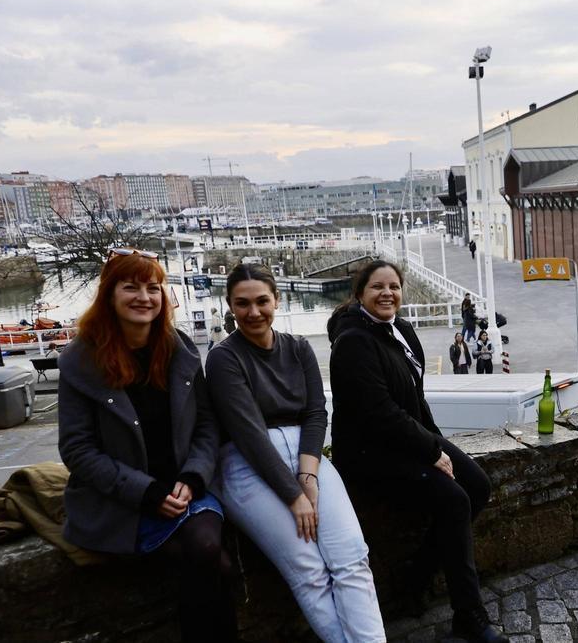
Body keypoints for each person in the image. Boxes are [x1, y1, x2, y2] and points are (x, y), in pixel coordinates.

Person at [57, 248, 234, 643]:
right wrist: (147, 492)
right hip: (122, 502)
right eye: (130, 287)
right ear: (109, 294)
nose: (144, 297)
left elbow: (206, 426)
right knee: (213, 565)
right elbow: (77, 450)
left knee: (206, 550)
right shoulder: (80, 360)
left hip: (186, 490)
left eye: (153, 287)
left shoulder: (179, 348)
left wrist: (193, 475)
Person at [327, 261, 507, 643]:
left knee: (477, 485)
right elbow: (378, 412)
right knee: (454, 501)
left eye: (394, 286)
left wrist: (440, 444)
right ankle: (469, 616)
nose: (387, 293)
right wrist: (430, 451)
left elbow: (416, 398)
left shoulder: (403, 329)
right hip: (369, 452)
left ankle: (416, 574)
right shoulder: (353, 341)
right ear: (360, 293)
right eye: (377, 287)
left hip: (408, 439)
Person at [207, 263, 385, 642]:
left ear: (277, 300)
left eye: (261, 301)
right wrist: (294, 497)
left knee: (351, 557)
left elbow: (315, 412)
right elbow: (248, 433)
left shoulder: (299, 347)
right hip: (249, 463)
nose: (253, 312)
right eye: (242, 304)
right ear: (230, 306)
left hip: (306, 454)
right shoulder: (224, 358)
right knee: (309, 570)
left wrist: (307, 476)